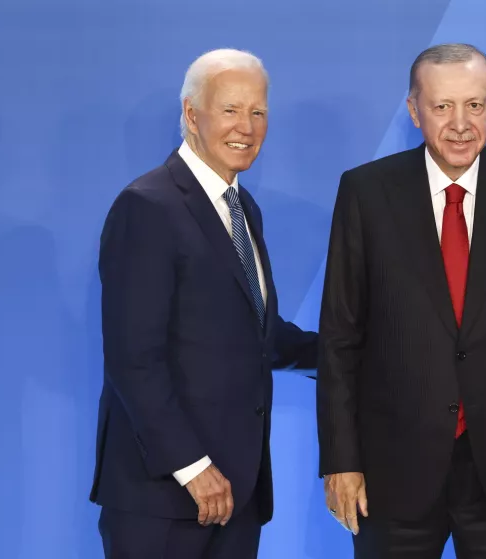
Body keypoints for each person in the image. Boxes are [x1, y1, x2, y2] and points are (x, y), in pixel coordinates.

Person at [316, 43, 486, 558]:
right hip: (392, 472)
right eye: (442, 107)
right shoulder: (366, 193)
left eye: (475, 105)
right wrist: (341, 461)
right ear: (414, 110)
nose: (460, 124)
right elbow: (339, 337)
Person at [90, 48, 318, 558]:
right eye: (230, 110)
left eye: (258, 112)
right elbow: (133, 358)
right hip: (165, 498)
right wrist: (193, 468)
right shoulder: (147, 206)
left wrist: (347, 350)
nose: (247, 126)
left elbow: (255, 333)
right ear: (192, 115)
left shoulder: (241, 207)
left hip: (236, 493)